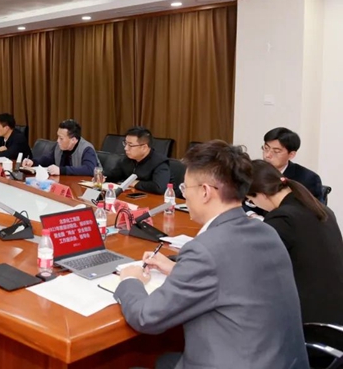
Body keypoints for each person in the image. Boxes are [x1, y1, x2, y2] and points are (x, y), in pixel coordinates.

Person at [115, 141, 308, 369]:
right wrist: (178, 269)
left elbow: (147, 317)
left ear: (205, 192)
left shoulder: (204, 249)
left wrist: (131, 280)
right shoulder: (266, 231)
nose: (184, 194)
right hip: (281, 361)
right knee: (165, 360)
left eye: (185, 187)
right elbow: (232, 278)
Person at [248, 159, 343, 324]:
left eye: (250, 200)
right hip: (334, 311)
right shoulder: (320, 209)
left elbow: (259, 269)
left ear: (262, 194)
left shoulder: (282, 218)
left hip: (310, 319)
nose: (253, 204)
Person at [262, 127, 323, 201]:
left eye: (276, 151)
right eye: (266, 148)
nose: (267, 155)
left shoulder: (308, 179)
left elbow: (312, 207)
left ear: (291, 155)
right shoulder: (255, 172)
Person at [104, 126, 170, 195]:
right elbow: (115, 175)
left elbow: (159, 187)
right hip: (131, 196)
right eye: (125, 143)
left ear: (144, 147)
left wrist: (136, 183)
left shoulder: (160, 163)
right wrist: (103, 177)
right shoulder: (127, 159)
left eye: (130, 145)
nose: (126, 148)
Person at [22, 119, 98, 176]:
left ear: (73, 140)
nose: (57, 140)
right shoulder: (59, 146)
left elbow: (90, 169)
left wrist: (61, 170)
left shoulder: (86, 149)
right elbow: (48, 159)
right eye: (58, 137)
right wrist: (33, 162)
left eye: (61, 138)